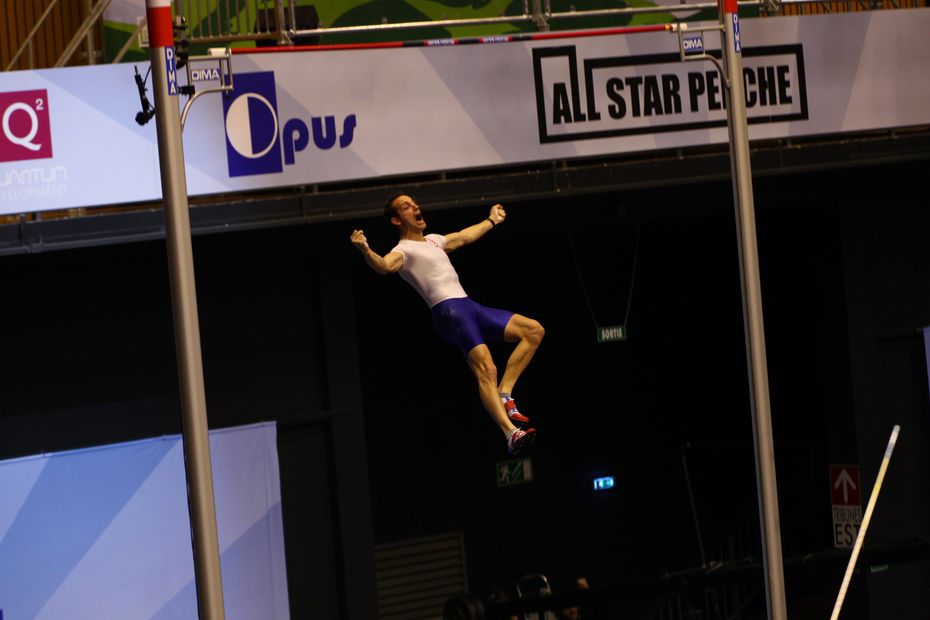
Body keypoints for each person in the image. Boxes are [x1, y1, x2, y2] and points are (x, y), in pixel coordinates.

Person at [349, 193, 544, 454]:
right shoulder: (402, 250)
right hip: (449, 311)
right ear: (397, 220)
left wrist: (491, 220)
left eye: (415, 203)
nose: (415, 207)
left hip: (469, 306)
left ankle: (505, 394)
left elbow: (465, 236)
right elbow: (384, 266)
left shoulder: (433, 241)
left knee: (533, 331)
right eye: (407, 207)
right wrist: (365, 248)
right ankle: (510, 433)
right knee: (487, 368)